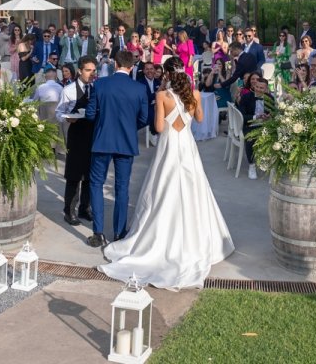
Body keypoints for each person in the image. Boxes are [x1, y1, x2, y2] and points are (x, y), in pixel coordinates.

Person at [100, 56, 234, 289]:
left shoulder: (162, 96)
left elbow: (160, 128)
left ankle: (158, 235)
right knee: (193, 187)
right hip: (187, 146)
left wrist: (162, 100)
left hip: (170, 145)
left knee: (163, 187)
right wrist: (193, 104)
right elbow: (200, 120)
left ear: (167, 75)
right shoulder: (195, 94)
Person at [84, 50, 149, 248]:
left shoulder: (101, 84)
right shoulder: (139, 89)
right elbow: (144, 118)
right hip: (126, 142)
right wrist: (129, 129)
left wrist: (102, 122)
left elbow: (89, 114)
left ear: (114, 63)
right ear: (132, 66)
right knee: (122, 187)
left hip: (103, 139)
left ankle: (98, 233)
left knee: (96, 184)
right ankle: (119, 233)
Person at [56, 56, 98, 226]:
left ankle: (84, 208)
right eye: (88, 70)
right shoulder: (69, 90)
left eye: (94, 70)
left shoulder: (97, 88)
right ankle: (69, 210)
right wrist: (68, 119)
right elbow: (59, 113)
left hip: (93, 134)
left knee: (89, 174)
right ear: (80, 71)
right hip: (76, 134)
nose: (91, 73)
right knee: (74, 175)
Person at [239, 75, 273, 180]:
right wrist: (256, 117)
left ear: (266, 89)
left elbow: (273, 112)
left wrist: (269, 116)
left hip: (265, 124)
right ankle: (252, 165)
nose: (258, 89)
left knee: (274, 136)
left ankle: (266, 160)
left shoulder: (270, 98)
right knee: (250, 139)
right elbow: (242, 116)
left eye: (261, 88)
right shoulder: (246, 97)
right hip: (250, 124)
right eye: (257, 87)